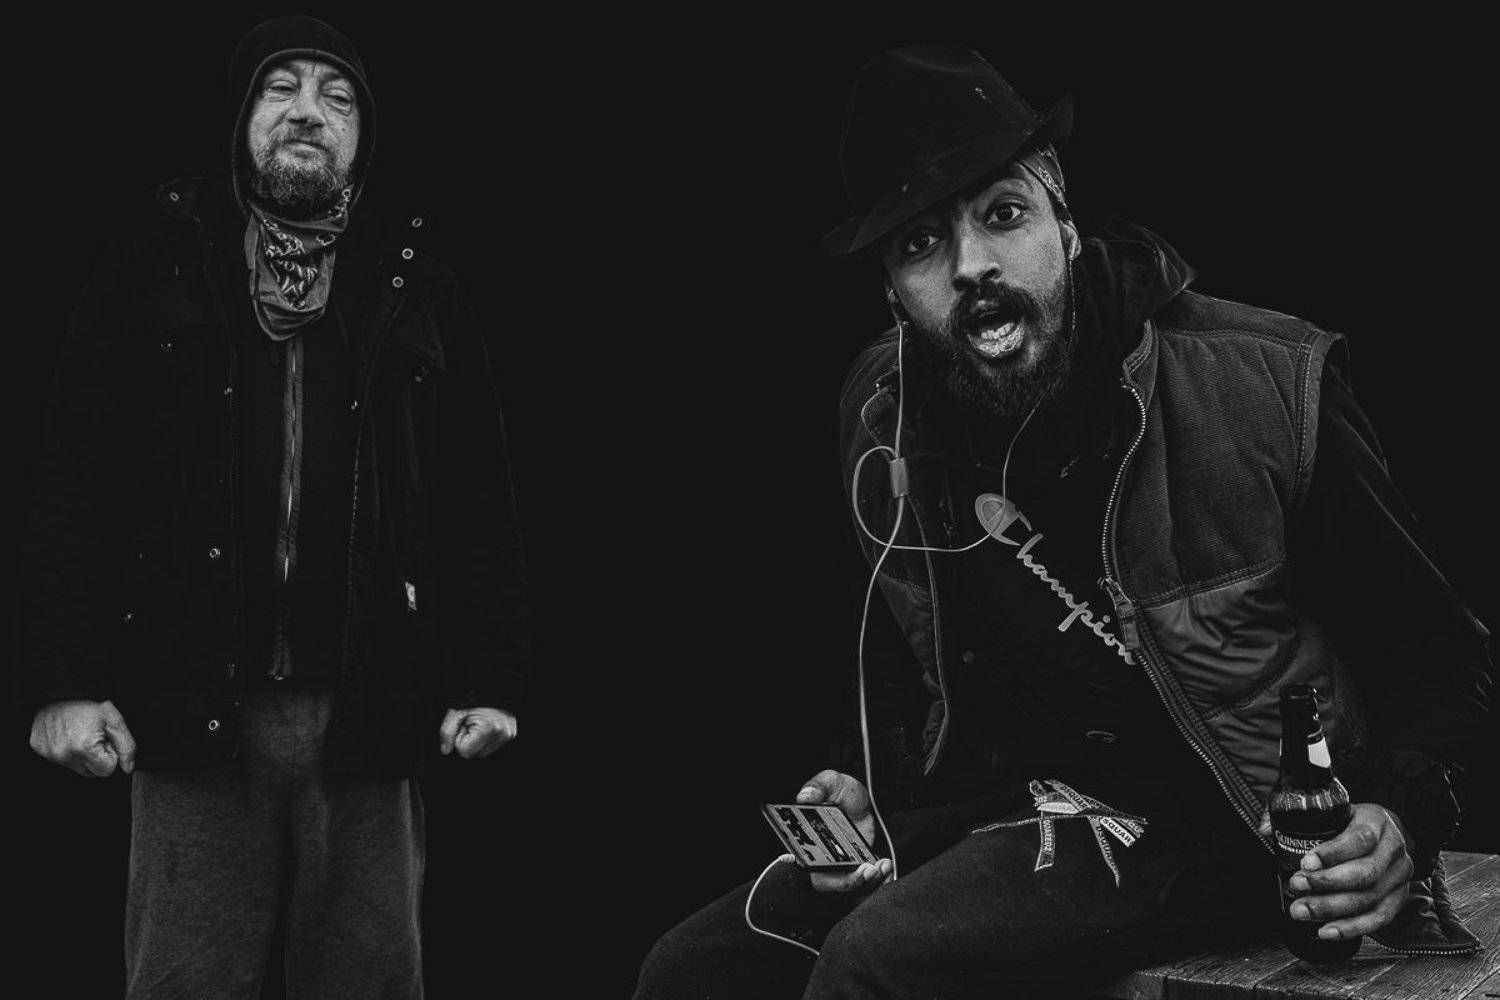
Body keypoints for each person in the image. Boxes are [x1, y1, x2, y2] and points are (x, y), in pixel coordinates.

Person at [634, 45, 1491, 999]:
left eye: (1003, 215)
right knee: (693, 971)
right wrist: (860, 783)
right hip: (1003, 806)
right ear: (890, 287)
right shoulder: (882, 409)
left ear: (1066, 223)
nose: (971, 265)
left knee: (878, 961)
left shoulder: (1264, 385)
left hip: (1220, 813)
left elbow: (1443, 660)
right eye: (920, 244)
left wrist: (1399, 815)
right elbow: (901, 660)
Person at [21, 15, 529, 998]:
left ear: (362, 139)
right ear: (241, 117)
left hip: (370, 715)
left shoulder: (413, 281)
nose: (307, 112)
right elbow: (70, 481)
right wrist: (60, 681)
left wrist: (492, 674)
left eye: (337, 98)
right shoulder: (158, 262)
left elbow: (479, 498)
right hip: (192, 708)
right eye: (280, 88)